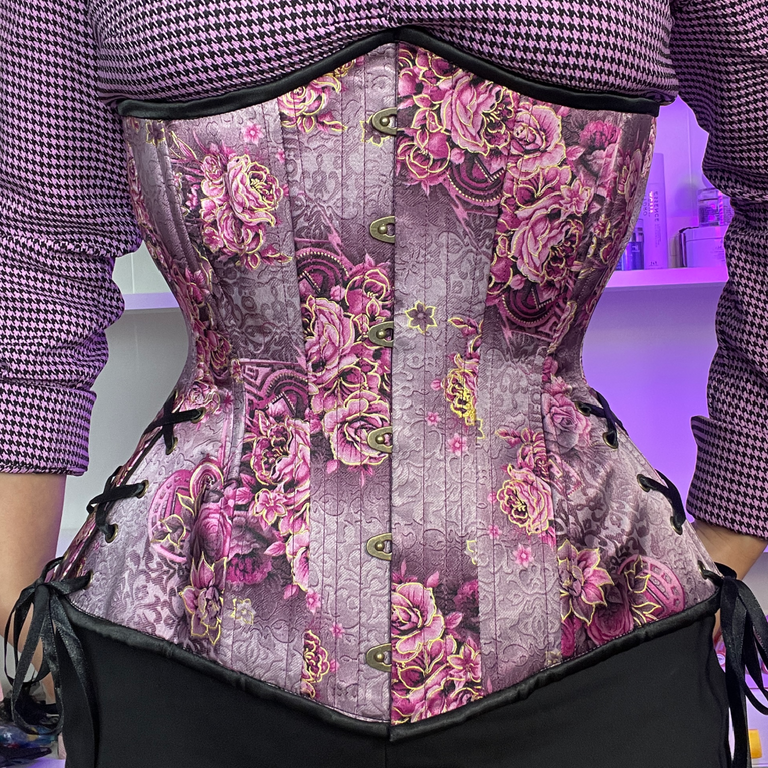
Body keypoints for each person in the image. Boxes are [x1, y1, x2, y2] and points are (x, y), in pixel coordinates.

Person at [1, 1, 767, 767]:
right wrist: (14, 613)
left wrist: (735, 517)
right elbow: (35, 241)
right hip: (182, 646)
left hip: (606, 644)